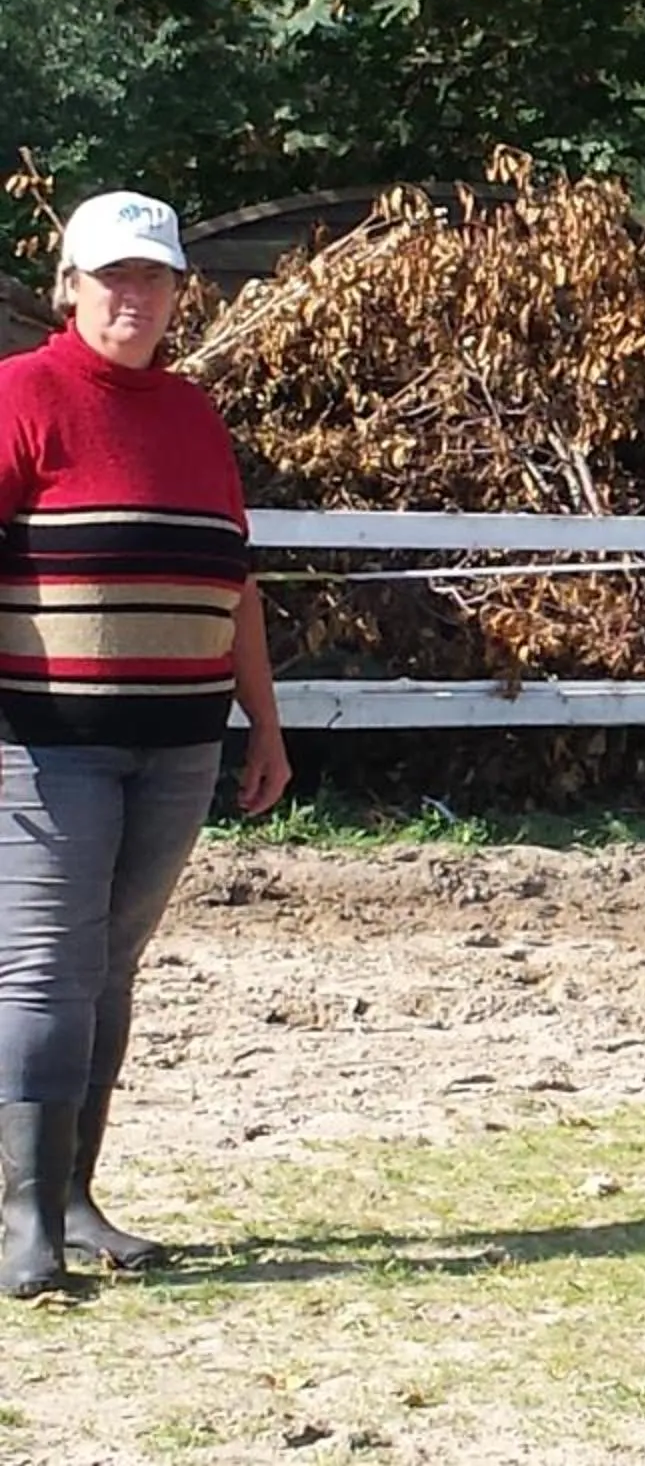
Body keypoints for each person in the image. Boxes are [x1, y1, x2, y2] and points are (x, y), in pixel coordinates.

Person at [0, 191, 293, 1297]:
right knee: (46, 967)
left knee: (110, 967)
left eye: (155, 277)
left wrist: (264, 724)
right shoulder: (22, 395)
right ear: (69, 286)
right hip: (46, 744)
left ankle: (76, 1197)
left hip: (178, 747)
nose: (137, 296)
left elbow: (234, 582)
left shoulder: (192, 414)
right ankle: (25, 1220)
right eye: (114, 276)